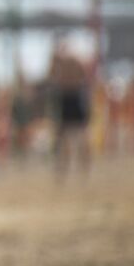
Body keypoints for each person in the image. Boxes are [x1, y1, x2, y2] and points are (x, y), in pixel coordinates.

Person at [46, 35, 92, 178]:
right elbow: (84, 78)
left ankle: (71, 168)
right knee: (75, 134)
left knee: (68, 135)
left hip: (69, 97)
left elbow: (52, 76)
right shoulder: (75, 60)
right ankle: (80, 168)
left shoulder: (63, 61)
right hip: (73, 96)